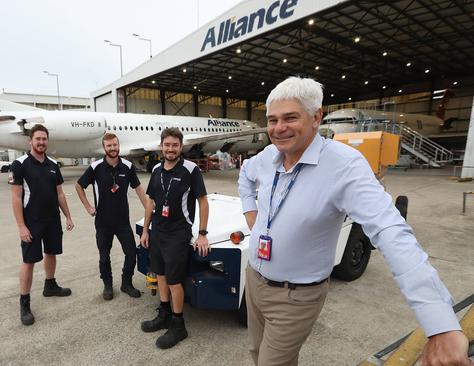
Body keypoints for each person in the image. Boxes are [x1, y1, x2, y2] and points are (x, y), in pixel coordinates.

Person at [238, 76, 470, 366]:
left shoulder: (344, 165)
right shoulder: (268, 156)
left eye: (290, 117)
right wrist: (253, 217)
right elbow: (245, 175)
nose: (278, 128)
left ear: (315, 117)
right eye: (272, 120)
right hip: (255, 279)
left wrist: (440, 323)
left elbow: (390, 231)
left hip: (294, 297)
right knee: (255, 353)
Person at [139, 127, 210, 349]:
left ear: (181, 147)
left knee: (174, 280)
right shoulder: (157, 168)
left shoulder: (191, 169)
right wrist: (145, 229)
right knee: (160, 274)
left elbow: (203, 201)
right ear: (161, 146)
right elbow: (151, 201)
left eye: (175, 145)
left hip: (178, 233)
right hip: (158, 231)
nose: (171, 149)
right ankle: (165, 313)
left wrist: (202, 234)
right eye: (167, 145)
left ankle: (179, 325)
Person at [9, 124, 74, 326]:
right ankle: (24, 302)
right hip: (32, 222)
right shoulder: (19, 164)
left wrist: (68, 216)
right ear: (30, 141)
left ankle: (50, 285)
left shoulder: (53, 164)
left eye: (44, 139)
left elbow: (60, 194)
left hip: (52, 219)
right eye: (37, 139)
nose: (41, 142)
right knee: (29, 261)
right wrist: (21, 226)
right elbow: (16, 198)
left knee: (51, 253)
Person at [75, 133, 147, 300]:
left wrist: (149, 210)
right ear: (104, 148)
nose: (113, 148)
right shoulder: (96, 167)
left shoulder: (128, 166)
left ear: (118, 145)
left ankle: (126, 283)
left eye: (115, 145)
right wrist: (88, 207)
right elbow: (79, 186)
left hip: (122, 221)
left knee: (131, 253)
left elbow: (139, 189)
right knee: (104, 256)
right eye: (109, 146)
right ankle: (107, 285)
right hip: (103, 222)